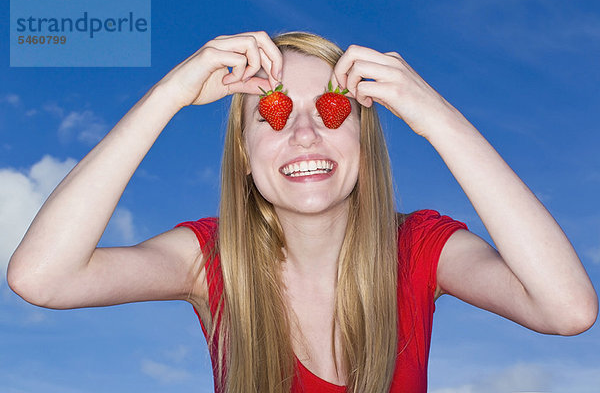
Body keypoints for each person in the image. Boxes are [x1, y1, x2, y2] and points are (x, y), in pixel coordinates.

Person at [6, 31, 598, 393]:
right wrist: (171, 94)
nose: (307, 133)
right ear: (243, 155)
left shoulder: (420, 249)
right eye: (274, 113)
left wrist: (434, 115)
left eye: (333, 111)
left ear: (365, 145)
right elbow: (42, 277)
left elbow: (567, 309)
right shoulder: (211, 260)